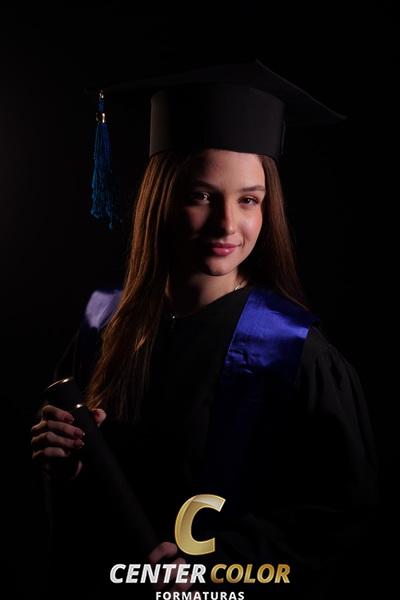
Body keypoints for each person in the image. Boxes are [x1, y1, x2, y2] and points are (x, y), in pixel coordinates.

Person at [31, 60, 377, 598]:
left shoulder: (294, 351)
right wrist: (70, 468)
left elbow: (341, 520)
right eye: (201, 195)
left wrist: (216, 567)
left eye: (249, 200)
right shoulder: (103, 326)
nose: (227, 224)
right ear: (161, 199)